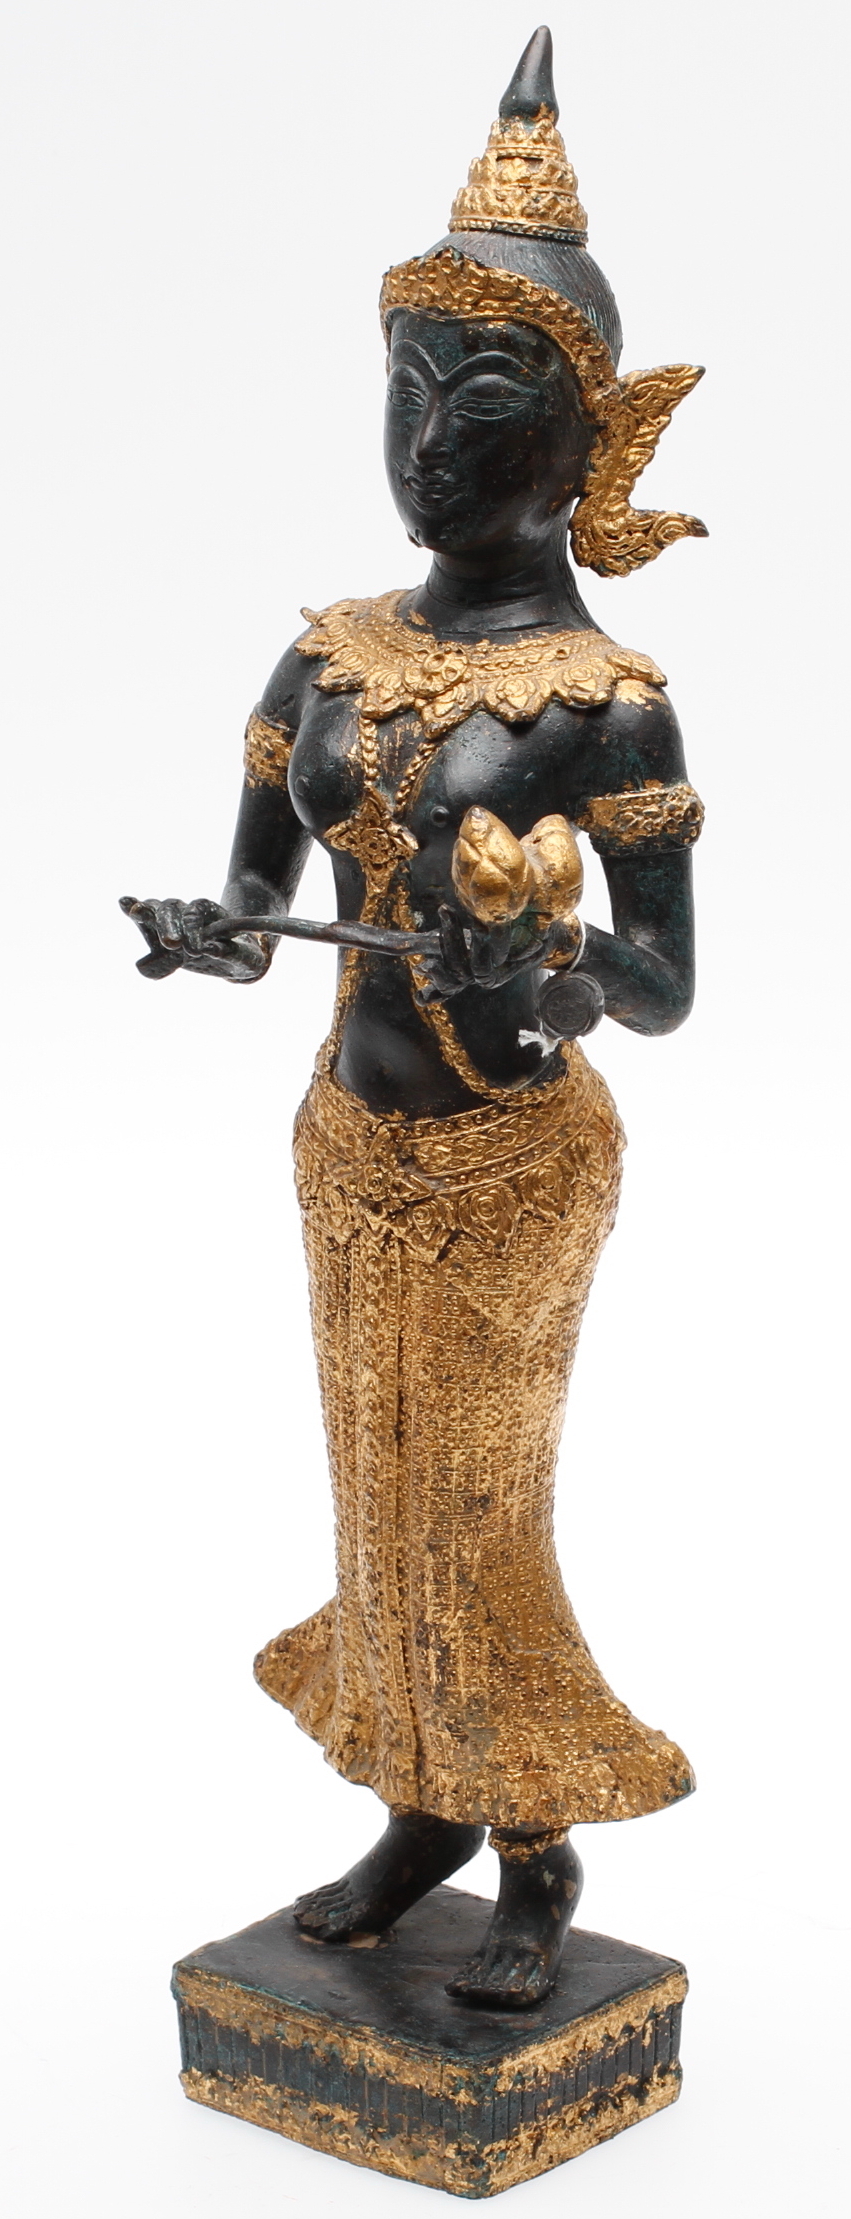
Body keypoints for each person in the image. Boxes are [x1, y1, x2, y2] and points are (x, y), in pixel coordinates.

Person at [125, 27, 704, 2008]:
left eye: (481, 399)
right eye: (404, 389)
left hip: (510, 1164)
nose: (426, 445)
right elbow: (257, 909)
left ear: (587, 439)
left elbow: (664, 988)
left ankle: (534, 1842)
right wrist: (206, 933)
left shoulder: (608, 701)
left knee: (477, 1505)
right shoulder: (325, 657)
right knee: (374, 1502)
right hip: (344, 1146)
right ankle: (421, 1810)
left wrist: (557, 974)